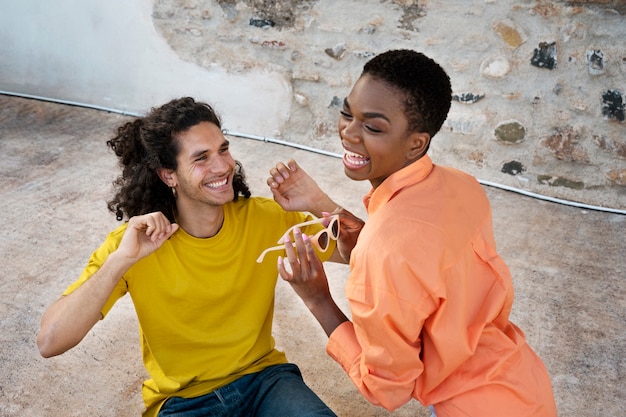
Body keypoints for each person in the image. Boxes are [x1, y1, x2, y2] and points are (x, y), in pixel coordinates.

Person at [266, 50, 558, 417]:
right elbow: (415, 266)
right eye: (346, 113)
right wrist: (319, 202)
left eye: (373, 127)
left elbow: (387, 389)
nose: (348, 133)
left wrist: (317, 299)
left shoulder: (385, 250)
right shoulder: (462, 186)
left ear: (417, 143)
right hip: (522, 384)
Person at [36, 97, 341, 417]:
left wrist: (318, 200)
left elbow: (364, 253)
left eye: (223, 149)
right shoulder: (134, 244)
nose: (223, 166)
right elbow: (50, 341)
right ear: (169, 175)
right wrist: (120, 262)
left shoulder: (264, 219)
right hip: (183, 401)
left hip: (266, 381)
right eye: (201, 158)